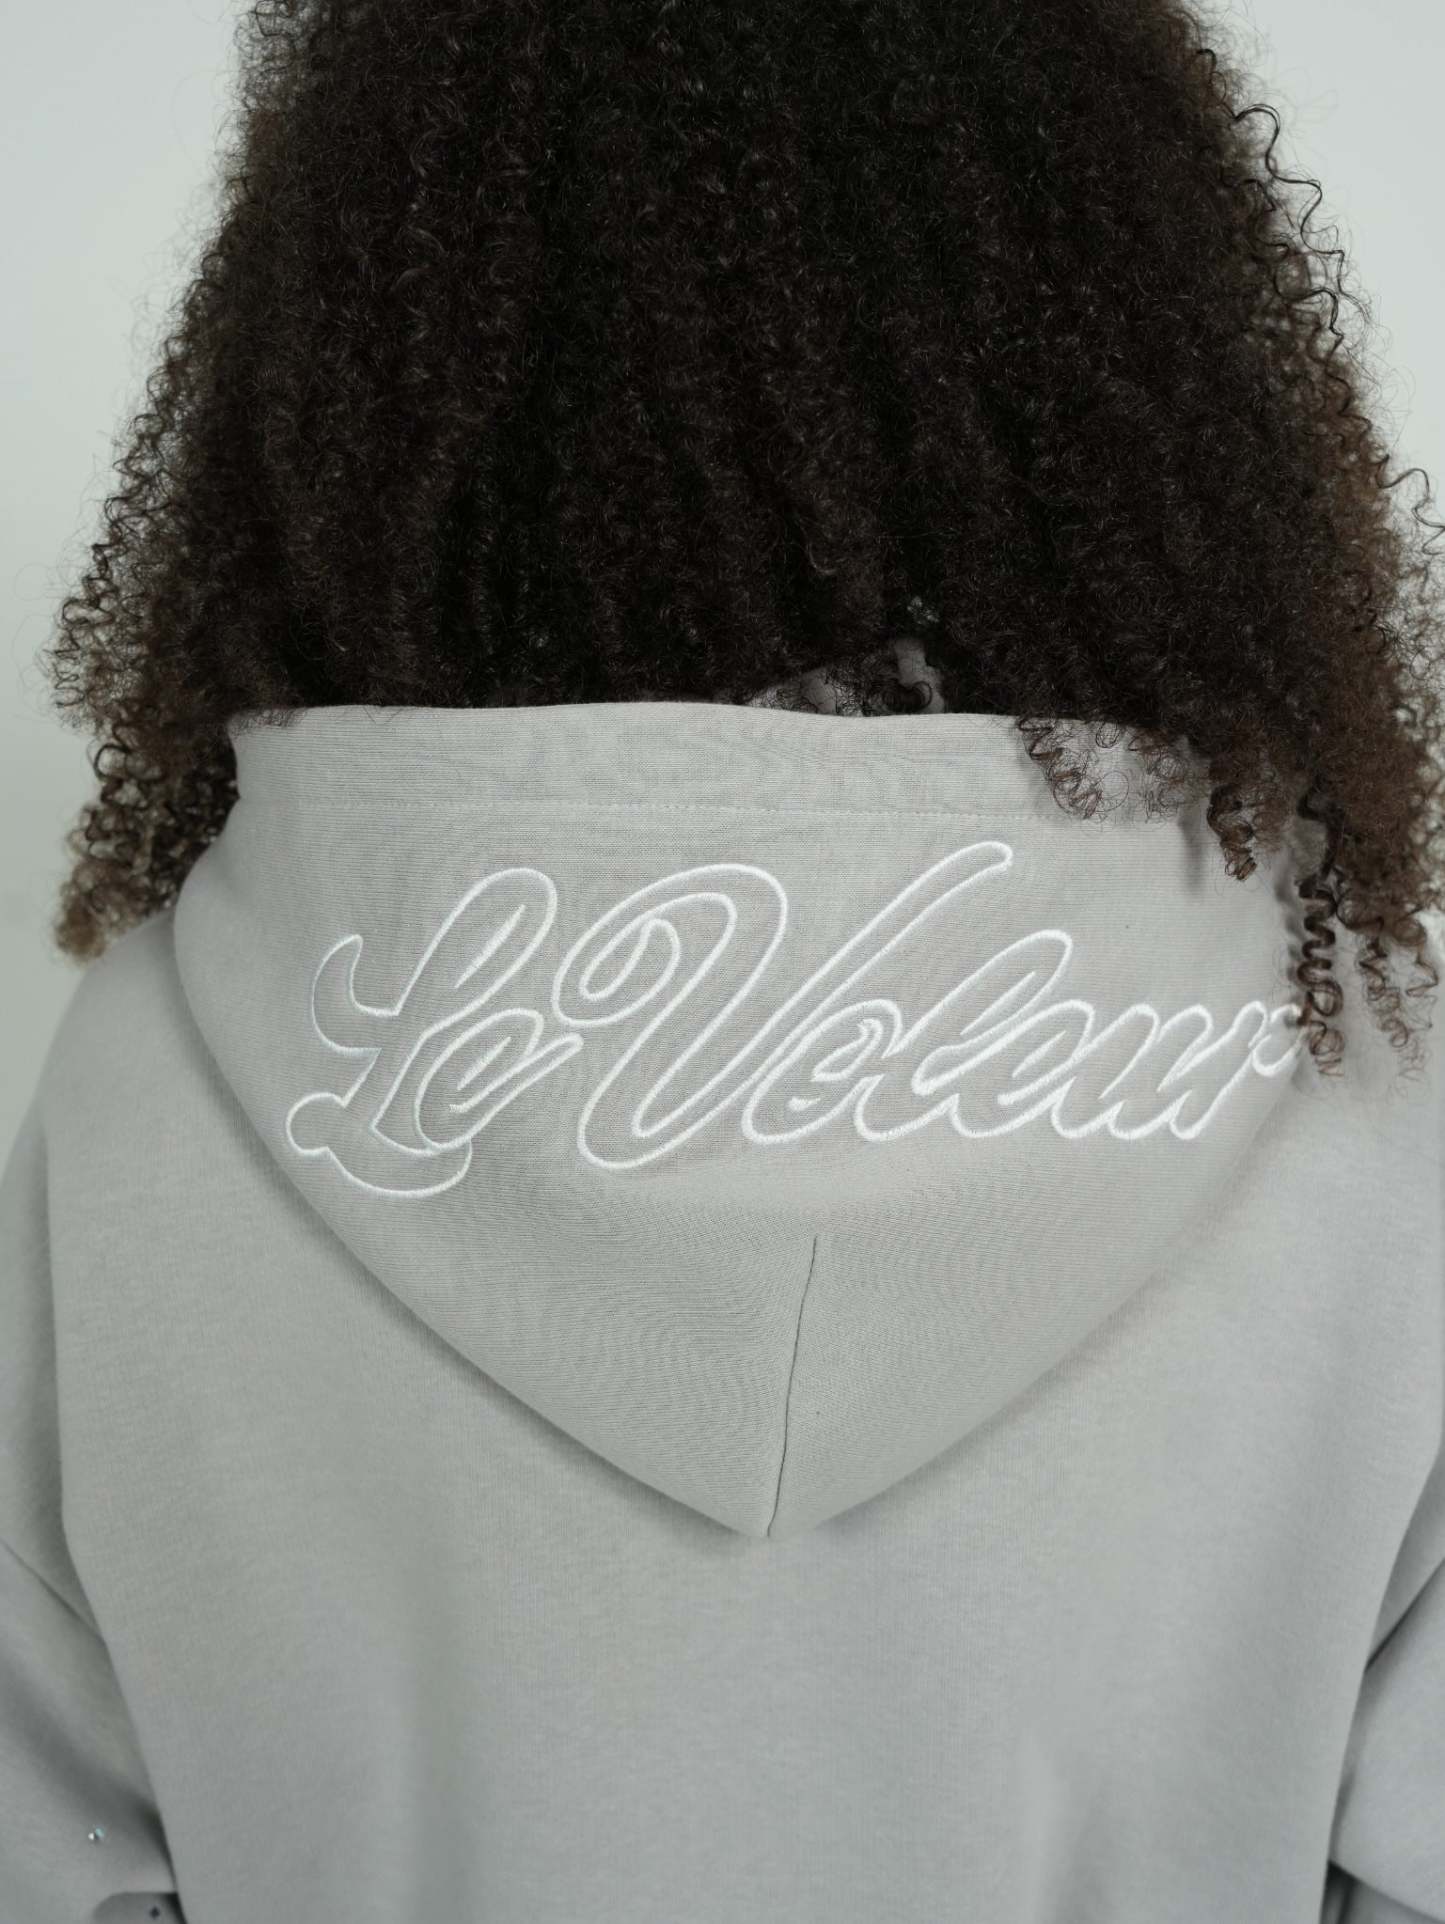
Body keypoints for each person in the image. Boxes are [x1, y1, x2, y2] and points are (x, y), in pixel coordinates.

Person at [3, 1, 1443, 1919]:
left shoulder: (149, 1081)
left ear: (363, 365)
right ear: (1134, 348)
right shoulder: (1367, 1077)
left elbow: (65, 1855)